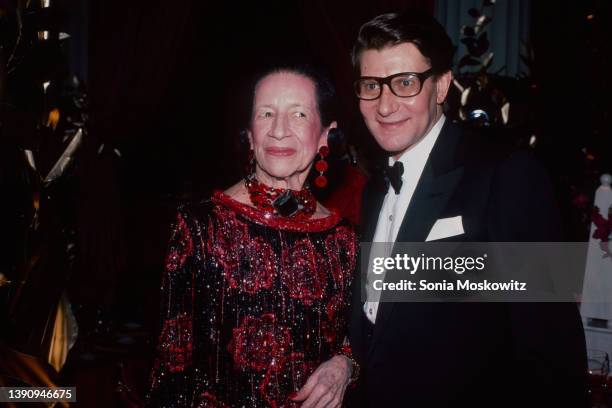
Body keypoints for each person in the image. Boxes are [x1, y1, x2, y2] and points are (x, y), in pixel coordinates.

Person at [348, 11, 589, 408]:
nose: (385, 105)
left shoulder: (507, 172)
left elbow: (551, 347)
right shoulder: (374, 189)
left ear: (441, 86)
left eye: (405, 83)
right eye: (371, 85)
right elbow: (378, 324)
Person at [147, 64, 358, 408]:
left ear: (325, 135)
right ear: (249, 132)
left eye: (299, 114)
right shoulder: (200, 226)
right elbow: (171, 364)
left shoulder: (344, 239)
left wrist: (346, 365)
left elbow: (363, 339)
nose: (278, 130)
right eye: (266, 113)